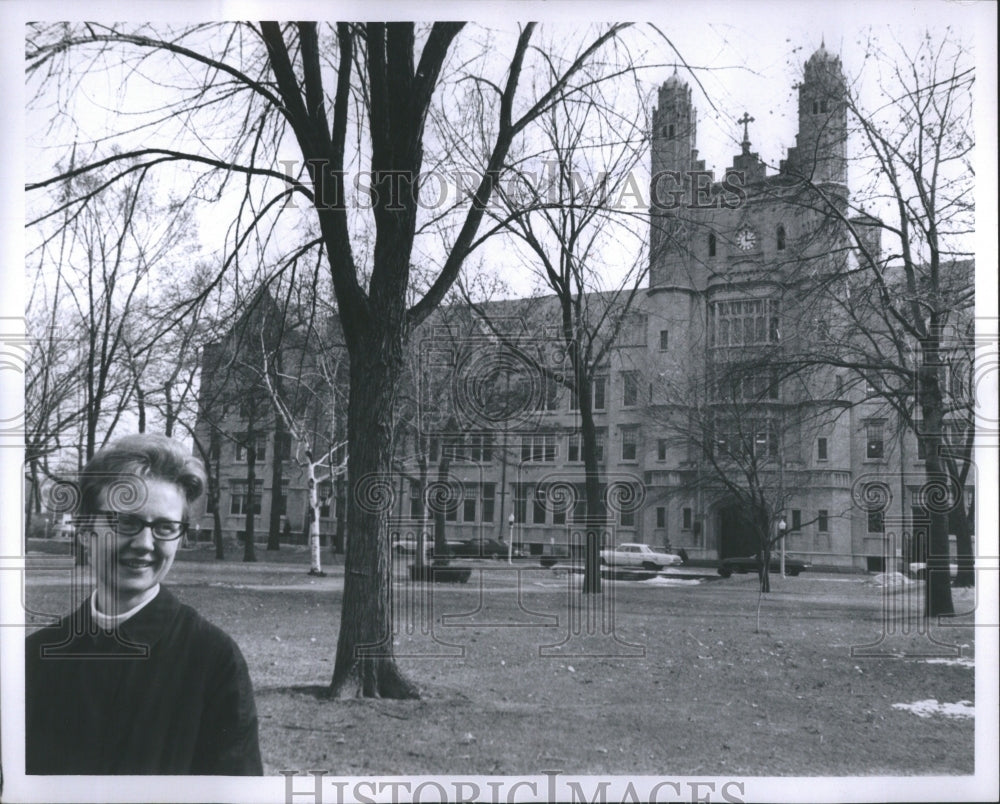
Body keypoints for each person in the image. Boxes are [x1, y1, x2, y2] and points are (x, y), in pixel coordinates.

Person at [25, 434, 263, 775]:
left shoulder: (212, 661)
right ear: (84, 528)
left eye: (165, 527)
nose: (144, 543)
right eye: (126, 522)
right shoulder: (33, 658)